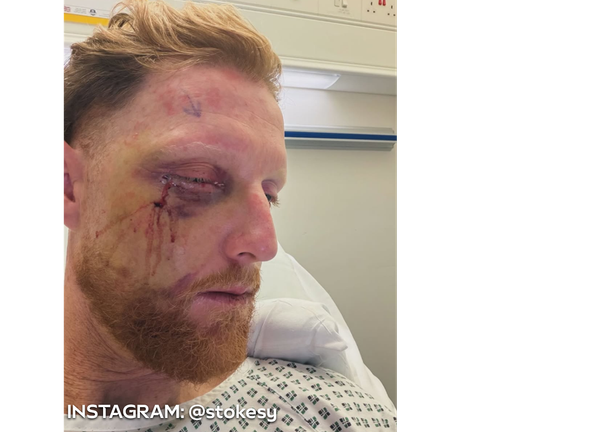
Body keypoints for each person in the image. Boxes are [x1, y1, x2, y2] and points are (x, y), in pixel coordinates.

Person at [61, 1, 397, 430]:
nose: (265, 246)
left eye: (270, 195)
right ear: (69, 187)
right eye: (197, 180)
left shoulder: (325, 413)